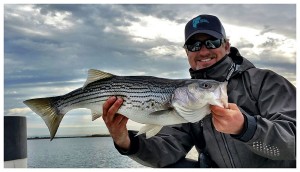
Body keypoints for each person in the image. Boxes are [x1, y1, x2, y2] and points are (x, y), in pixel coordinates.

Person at [101, 14, 296, 168]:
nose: (203, 51)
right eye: (194, 45)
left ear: (227, 46)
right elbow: (166, 149)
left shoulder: (265, 82)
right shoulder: (184, 98)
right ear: (187, 52)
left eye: (212, 42)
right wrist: (125, 141)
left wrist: (246, 127)